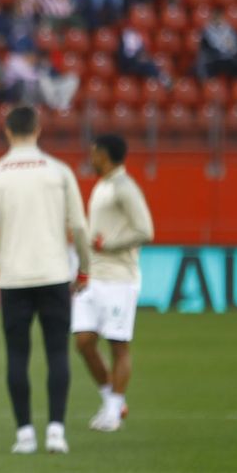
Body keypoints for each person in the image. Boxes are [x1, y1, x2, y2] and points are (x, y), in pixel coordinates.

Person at [0, 106, 92, 455]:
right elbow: (79, 227)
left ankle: (25, 433)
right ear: (38, 130)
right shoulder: (59, 172)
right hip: (54, 275)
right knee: (57, 352)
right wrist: (84, 269)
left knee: (17, 355)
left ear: (8, 132)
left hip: (13, 279)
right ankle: (56, 431)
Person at [75, 135, 155, 432]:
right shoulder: (103, 185)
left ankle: (113, 408)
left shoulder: (125, 188)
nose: (90, 158)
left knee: (118, 345)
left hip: (119, 278)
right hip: (94, 276)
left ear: (103, 155)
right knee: (83, 342)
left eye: (93, 153)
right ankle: (112, 401)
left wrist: (110, 244)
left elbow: (145, 230)